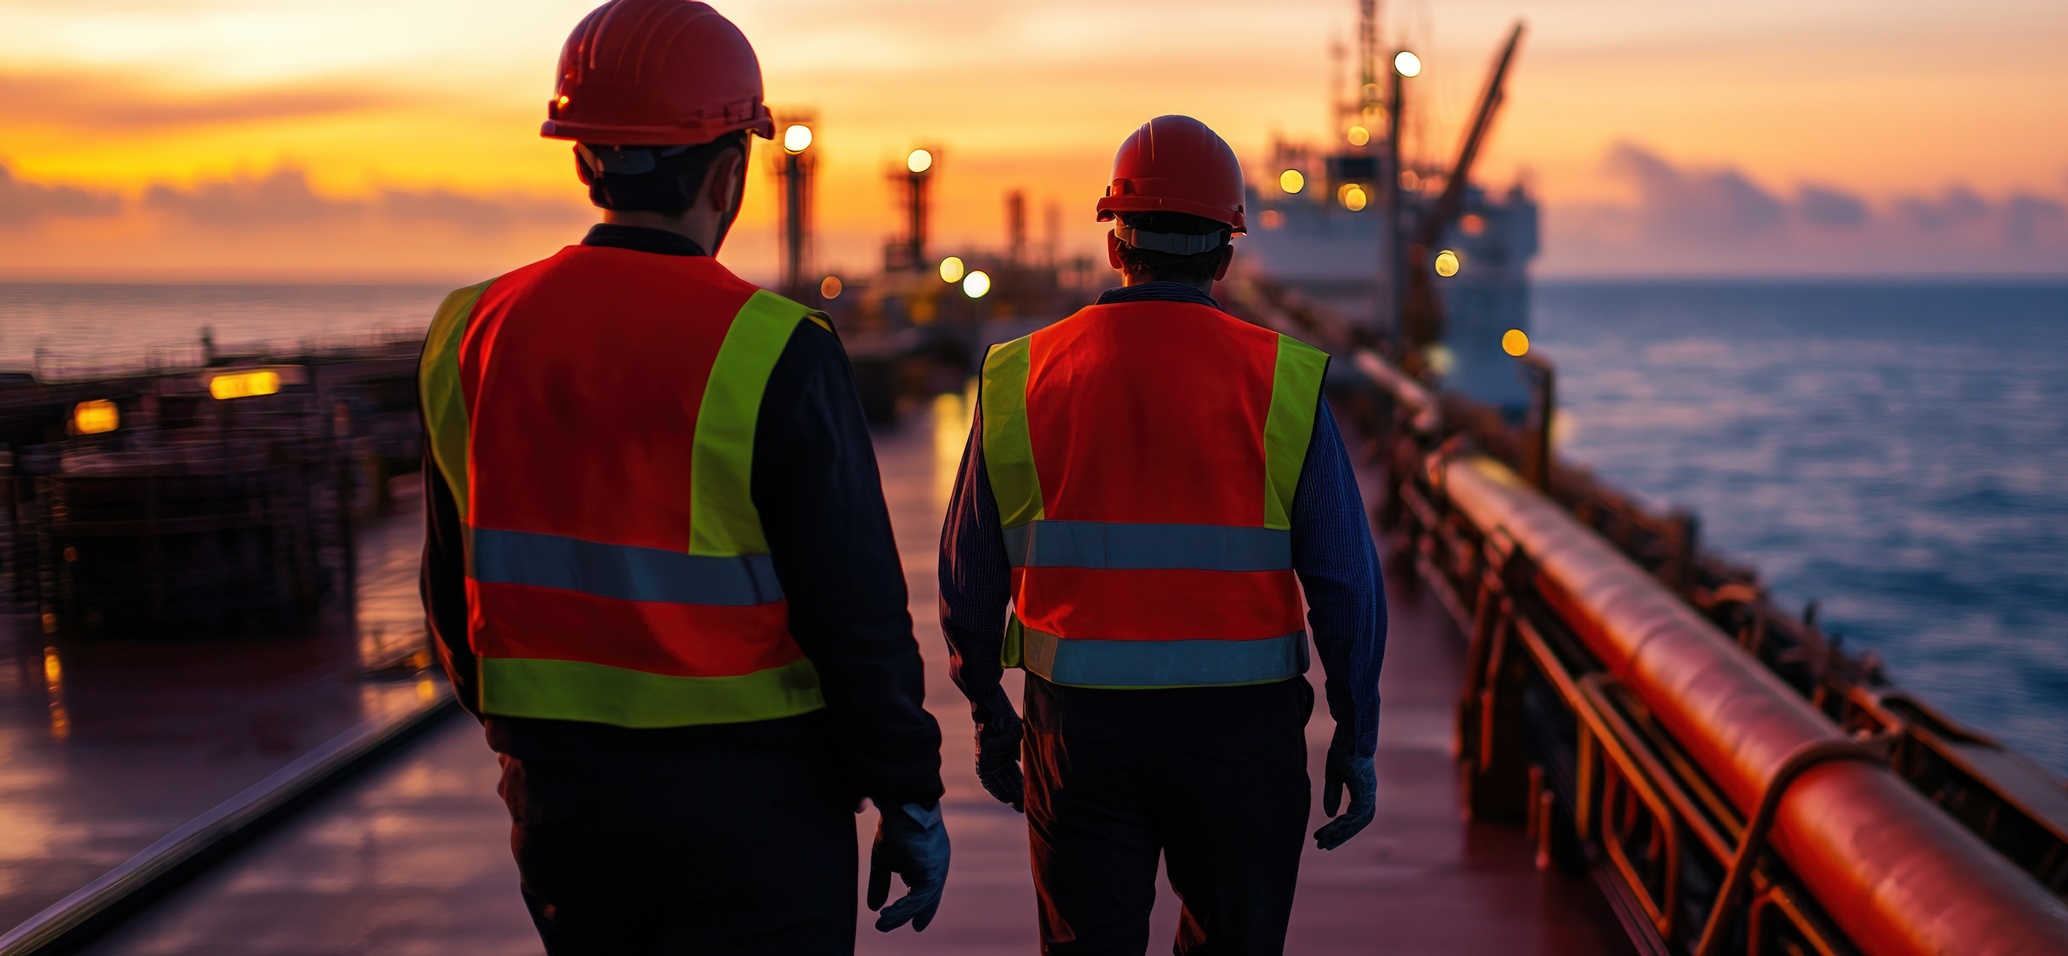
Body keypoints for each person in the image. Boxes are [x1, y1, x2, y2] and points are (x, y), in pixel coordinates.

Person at [415, 1, 946, 951]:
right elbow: (855, 609)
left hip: (563, 800)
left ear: (584, 161)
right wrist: (905, 790)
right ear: (732, 168)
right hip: (756, 802)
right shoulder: (774, 346)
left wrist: (531, 746)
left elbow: (450, 590)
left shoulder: (471, 331)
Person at [939, 114, 1387, 956]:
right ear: (1227, 250)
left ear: (1116, 243)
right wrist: (1356, 737)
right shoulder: (1283, 379)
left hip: (1078, 732)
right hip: (1242, 738)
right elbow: (1347, 585)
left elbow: (968, 577)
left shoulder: (1020, 375)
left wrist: (989, 711)